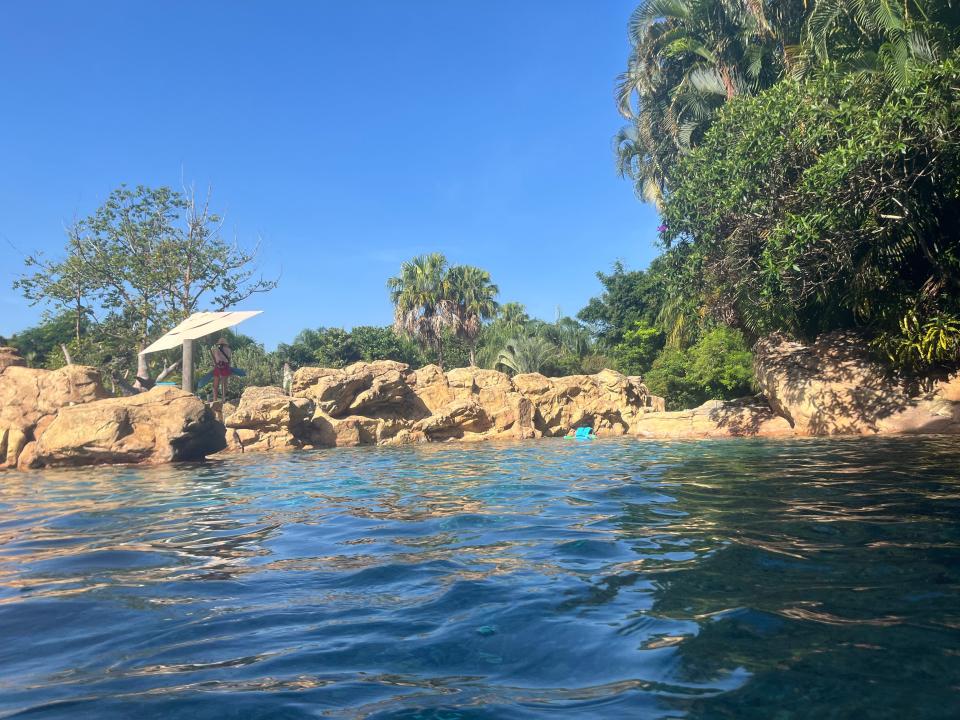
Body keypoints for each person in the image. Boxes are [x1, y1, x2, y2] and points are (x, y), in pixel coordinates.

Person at [210, 337, 233, 402]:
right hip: (225, 366)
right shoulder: (229, 350)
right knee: (224, 384)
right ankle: (223, 399)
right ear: (225, 344)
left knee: (215, 385)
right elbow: (229, 359)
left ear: (219, 343)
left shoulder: (215, 350)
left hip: (218, 366)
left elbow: (214, 359)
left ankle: (215, 399)